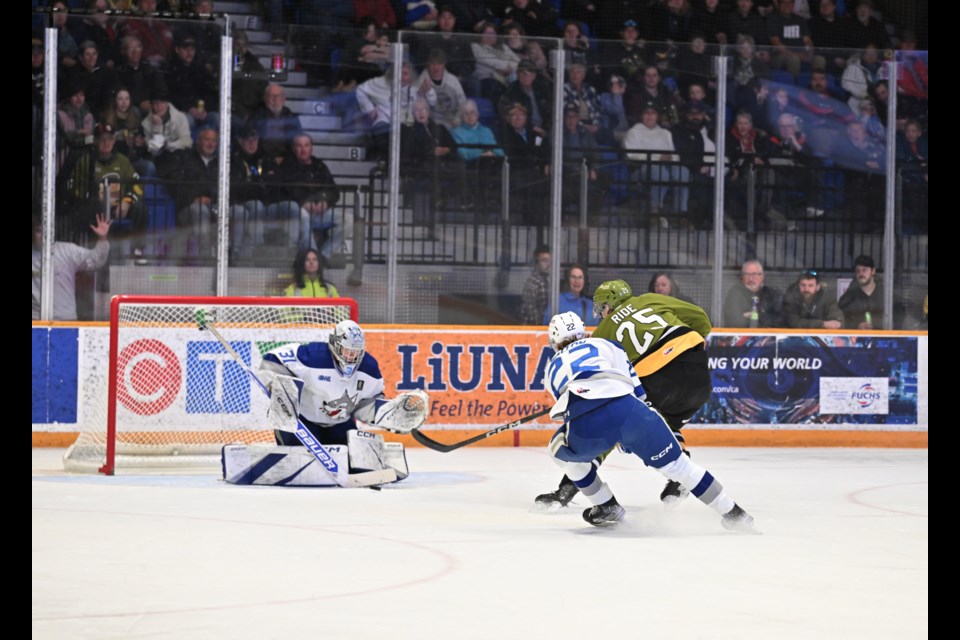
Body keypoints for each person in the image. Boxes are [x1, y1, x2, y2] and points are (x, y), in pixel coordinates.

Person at [540, 311, 755, 531]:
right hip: (629, 410)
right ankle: (735, 514)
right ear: (583, 331)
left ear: (554, 341)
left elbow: (569, 412)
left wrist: (607, 433)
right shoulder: (606, 345)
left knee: (558, 450)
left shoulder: (550, 371)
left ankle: (605, 505)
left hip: (588, 424)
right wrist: (631, 428)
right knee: (680, 467)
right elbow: (637, 389)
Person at [535, 279, 713, 509]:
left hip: (657, 379)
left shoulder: (602, 334)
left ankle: (568, 488)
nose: (601, 315)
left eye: (601, 309)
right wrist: (684, 350)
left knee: (613, 419)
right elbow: (701, 319)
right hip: (697, 373)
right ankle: (682, 473)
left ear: (609, 304)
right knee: (666, 423)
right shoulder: (650, 299)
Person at [256, 319, 414, 482]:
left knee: (358, 464)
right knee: (301, 460)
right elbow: (272, 358)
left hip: (339, 425)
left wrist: (390, 416)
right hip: (303, 423)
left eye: (356, 353)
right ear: (334, 344)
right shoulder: (313, 356)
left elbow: (365, 406)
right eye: (347, 351)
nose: (352, 357)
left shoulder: (369, 368)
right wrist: (280, 391)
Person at [32, 213, 111, 321]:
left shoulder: (67, 250)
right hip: (35, 320)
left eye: (47, 229)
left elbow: (96, 260)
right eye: (38, 230)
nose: (44, 234)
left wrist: (102, 239)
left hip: (66, 319)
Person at [723, 259, 784, 327]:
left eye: (754, 274)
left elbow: (780, 321)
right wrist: (764, 316)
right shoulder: (735, 293)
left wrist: (752, 315)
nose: (751, 279)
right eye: (747, 274)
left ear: (762, 276)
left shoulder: (771, 294)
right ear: (742, 277)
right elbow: (736, 322)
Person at [838, 254, 883, 329]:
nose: (861, 273)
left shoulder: (885, 295)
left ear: (873, 271)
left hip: (884, 338)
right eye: (858, 270)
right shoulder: (848, 298)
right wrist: (856, 326)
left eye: (864, 270)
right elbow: (841, 321)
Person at [519, 244, 550, 325]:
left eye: (550, 260)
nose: (548, 264)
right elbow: (534, 317)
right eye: (544, 260)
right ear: (537, 263)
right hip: (533, 329)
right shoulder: (536, 282)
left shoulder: (546, 279)